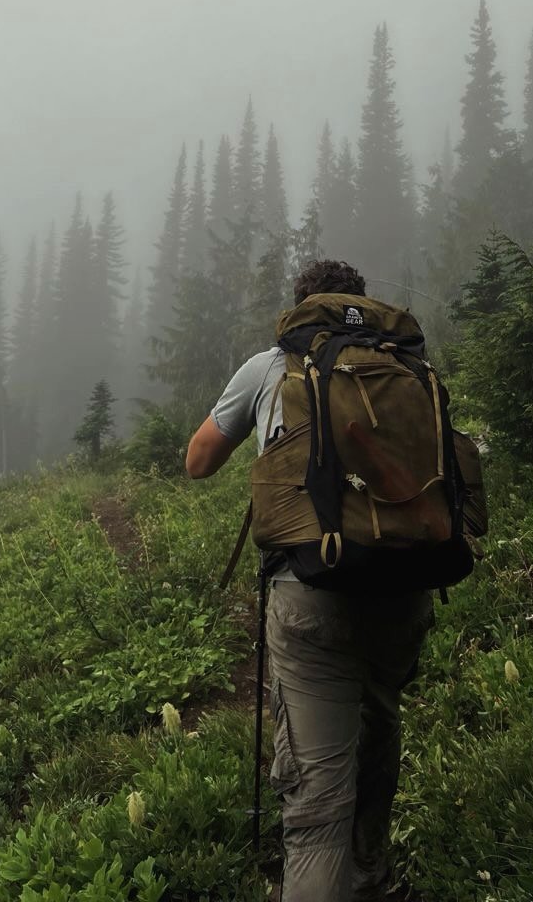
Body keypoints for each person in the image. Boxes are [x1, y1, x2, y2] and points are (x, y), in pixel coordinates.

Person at [186, 259, 434, 902]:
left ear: (301, 307)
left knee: (318, 795)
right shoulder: (406, 366)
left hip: (310, 594)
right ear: (362, 304)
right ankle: (371, 877)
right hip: (406, 585)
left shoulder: (271, 366)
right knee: (378, 729)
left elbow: (198, 461)